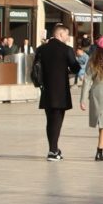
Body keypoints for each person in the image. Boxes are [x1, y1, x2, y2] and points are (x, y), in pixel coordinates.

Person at [31, 22, 80, 159]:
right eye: (67, 34)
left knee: (50, 120)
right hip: (60, 91)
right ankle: (53, 151)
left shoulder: (41, 49)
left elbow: (36, 67)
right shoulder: (66, 49)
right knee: (57, 120)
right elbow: (75, 68)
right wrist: (68, 70)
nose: (68, 37)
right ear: (60, 34)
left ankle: (54, 148)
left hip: (46, 89)